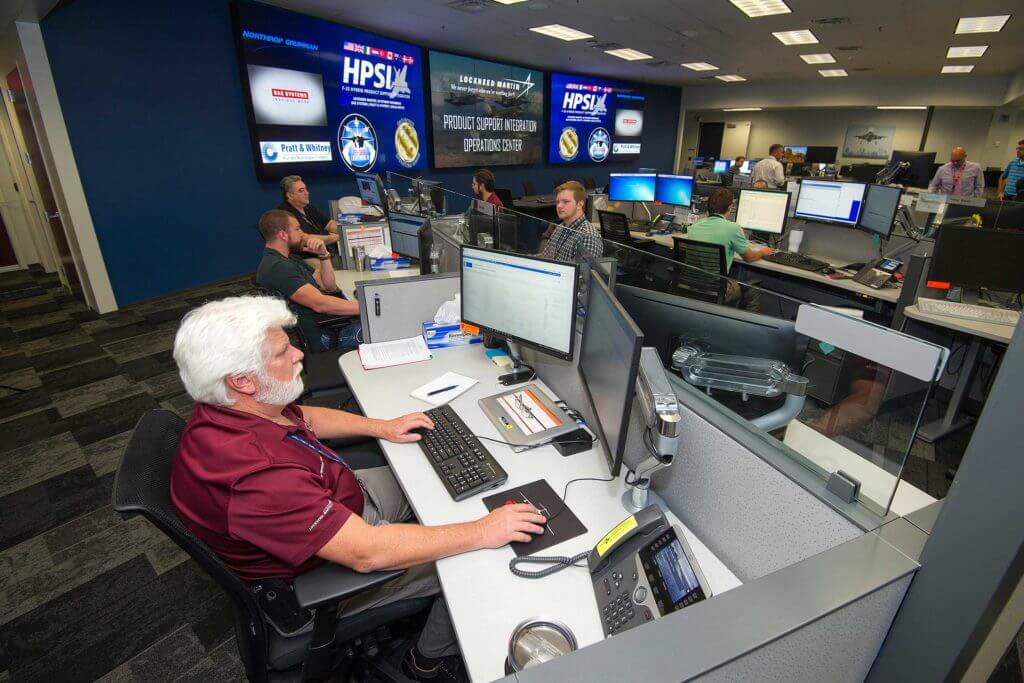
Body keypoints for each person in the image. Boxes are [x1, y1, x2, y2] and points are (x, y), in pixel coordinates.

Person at [170, 296, 546, 682]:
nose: (300, 353)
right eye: (284, 352)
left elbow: (304, 418)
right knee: (482, 558)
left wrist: (381, 427)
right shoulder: (256, 476)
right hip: (322, 576)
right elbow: (367, 553)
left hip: (338, 497)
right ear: (243, 380)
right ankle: (426, 660)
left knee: (431, 476)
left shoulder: (235, 408)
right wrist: (483, 531)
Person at [255, 209, 360, 352]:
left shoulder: (289, 258)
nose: (302, 233)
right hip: (323, 336)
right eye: (297, 229)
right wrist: (366, 309)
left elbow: (328, 285)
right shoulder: (278, 267)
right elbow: (320, 304)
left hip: (328, 325)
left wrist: (323, 255)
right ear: (283, 235)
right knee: (383, 325)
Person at [686, 188, 773, 310]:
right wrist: (763, 251)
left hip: (692, 284)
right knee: (753, 289)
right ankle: (744, 326)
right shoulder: (733, 228)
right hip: (717, 289)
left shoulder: (694, 226)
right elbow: (749, 258)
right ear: (730, 207)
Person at [278, 175, 340, 265]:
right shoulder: (285, 214)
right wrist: (336, 237)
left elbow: (329, 224)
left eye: (306, 189)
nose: (307, 193)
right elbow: (303, 239)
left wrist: (342, 231)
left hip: (325, 251)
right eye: (301, 191)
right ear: (290, 195)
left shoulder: (307, 207)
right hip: (306, 258)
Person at [538, 181, 603, 263]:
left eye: (565, 202)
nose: (559, 206)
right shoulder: (560, 227)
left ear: (579, 204)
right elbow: (545, 256)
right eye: (558, 202)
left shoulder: (588, 237)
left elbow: (583, 274)